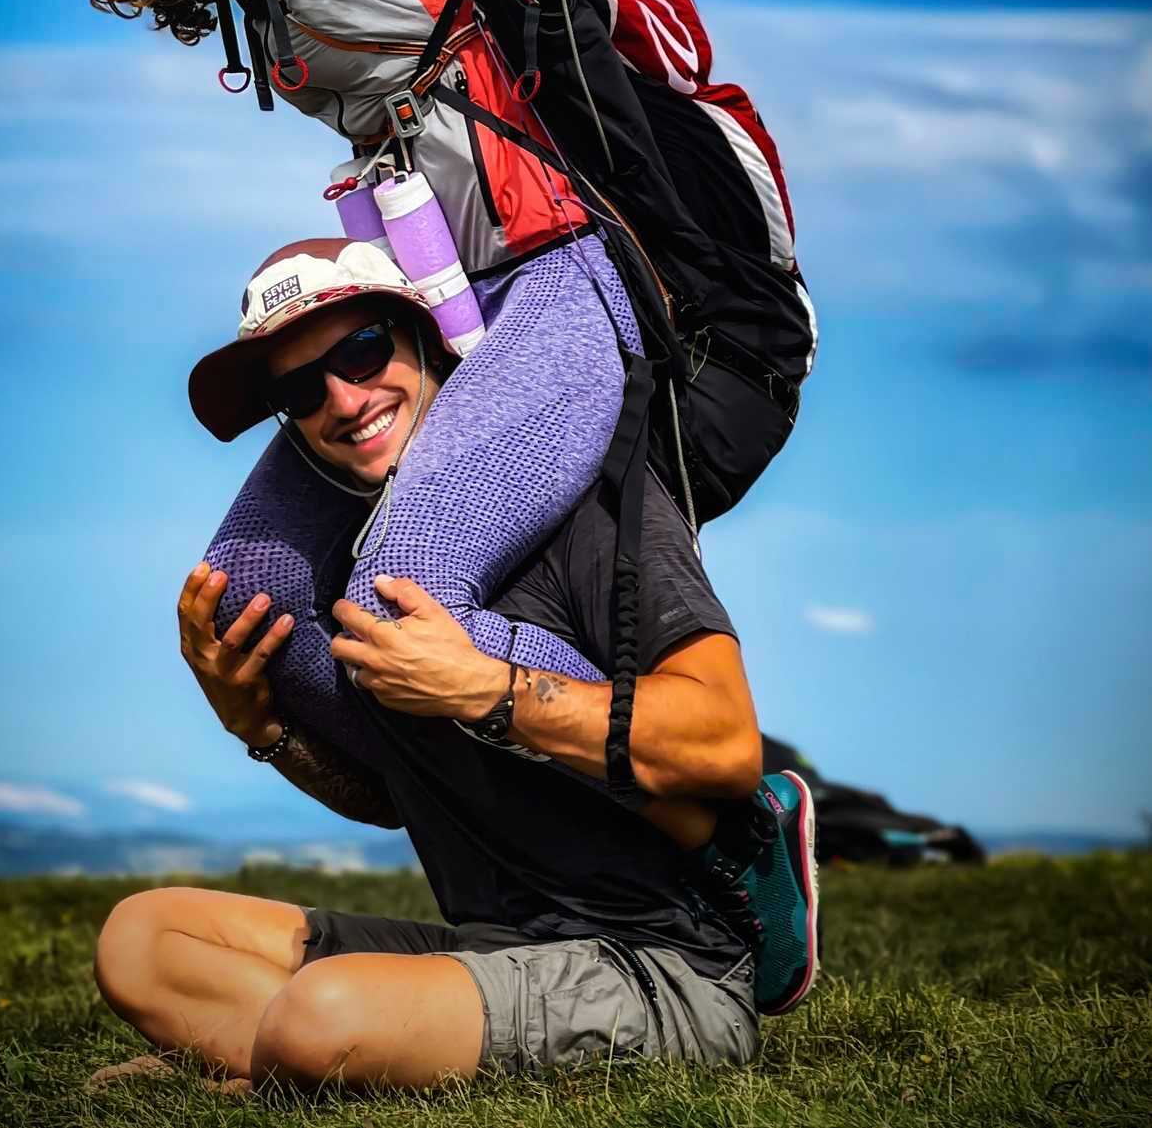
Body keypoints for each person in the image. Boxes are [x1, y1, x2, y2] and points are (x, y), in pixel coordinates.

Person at [12, 0, 904, 740]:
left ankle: (710, 797)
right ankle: (478, 831)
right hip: (449, 288)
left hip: (555, 271)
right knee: (255, 596)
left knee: (405, 588)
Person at [92, 240, 818, 1091]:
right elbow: (393, 801)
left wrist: (489, 687)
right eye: (301, 389)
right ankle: (303, 1055)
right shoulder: (354, 573)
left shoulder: (598, 509)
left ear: (429, 340)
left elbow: (726, 744)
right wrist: (263, 726)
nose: (343, 399)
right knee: (140, 942)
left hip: (664, 964)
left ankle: (291, 1056)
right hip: (489, 948)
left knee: (322, 1014)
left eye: (362, 352)